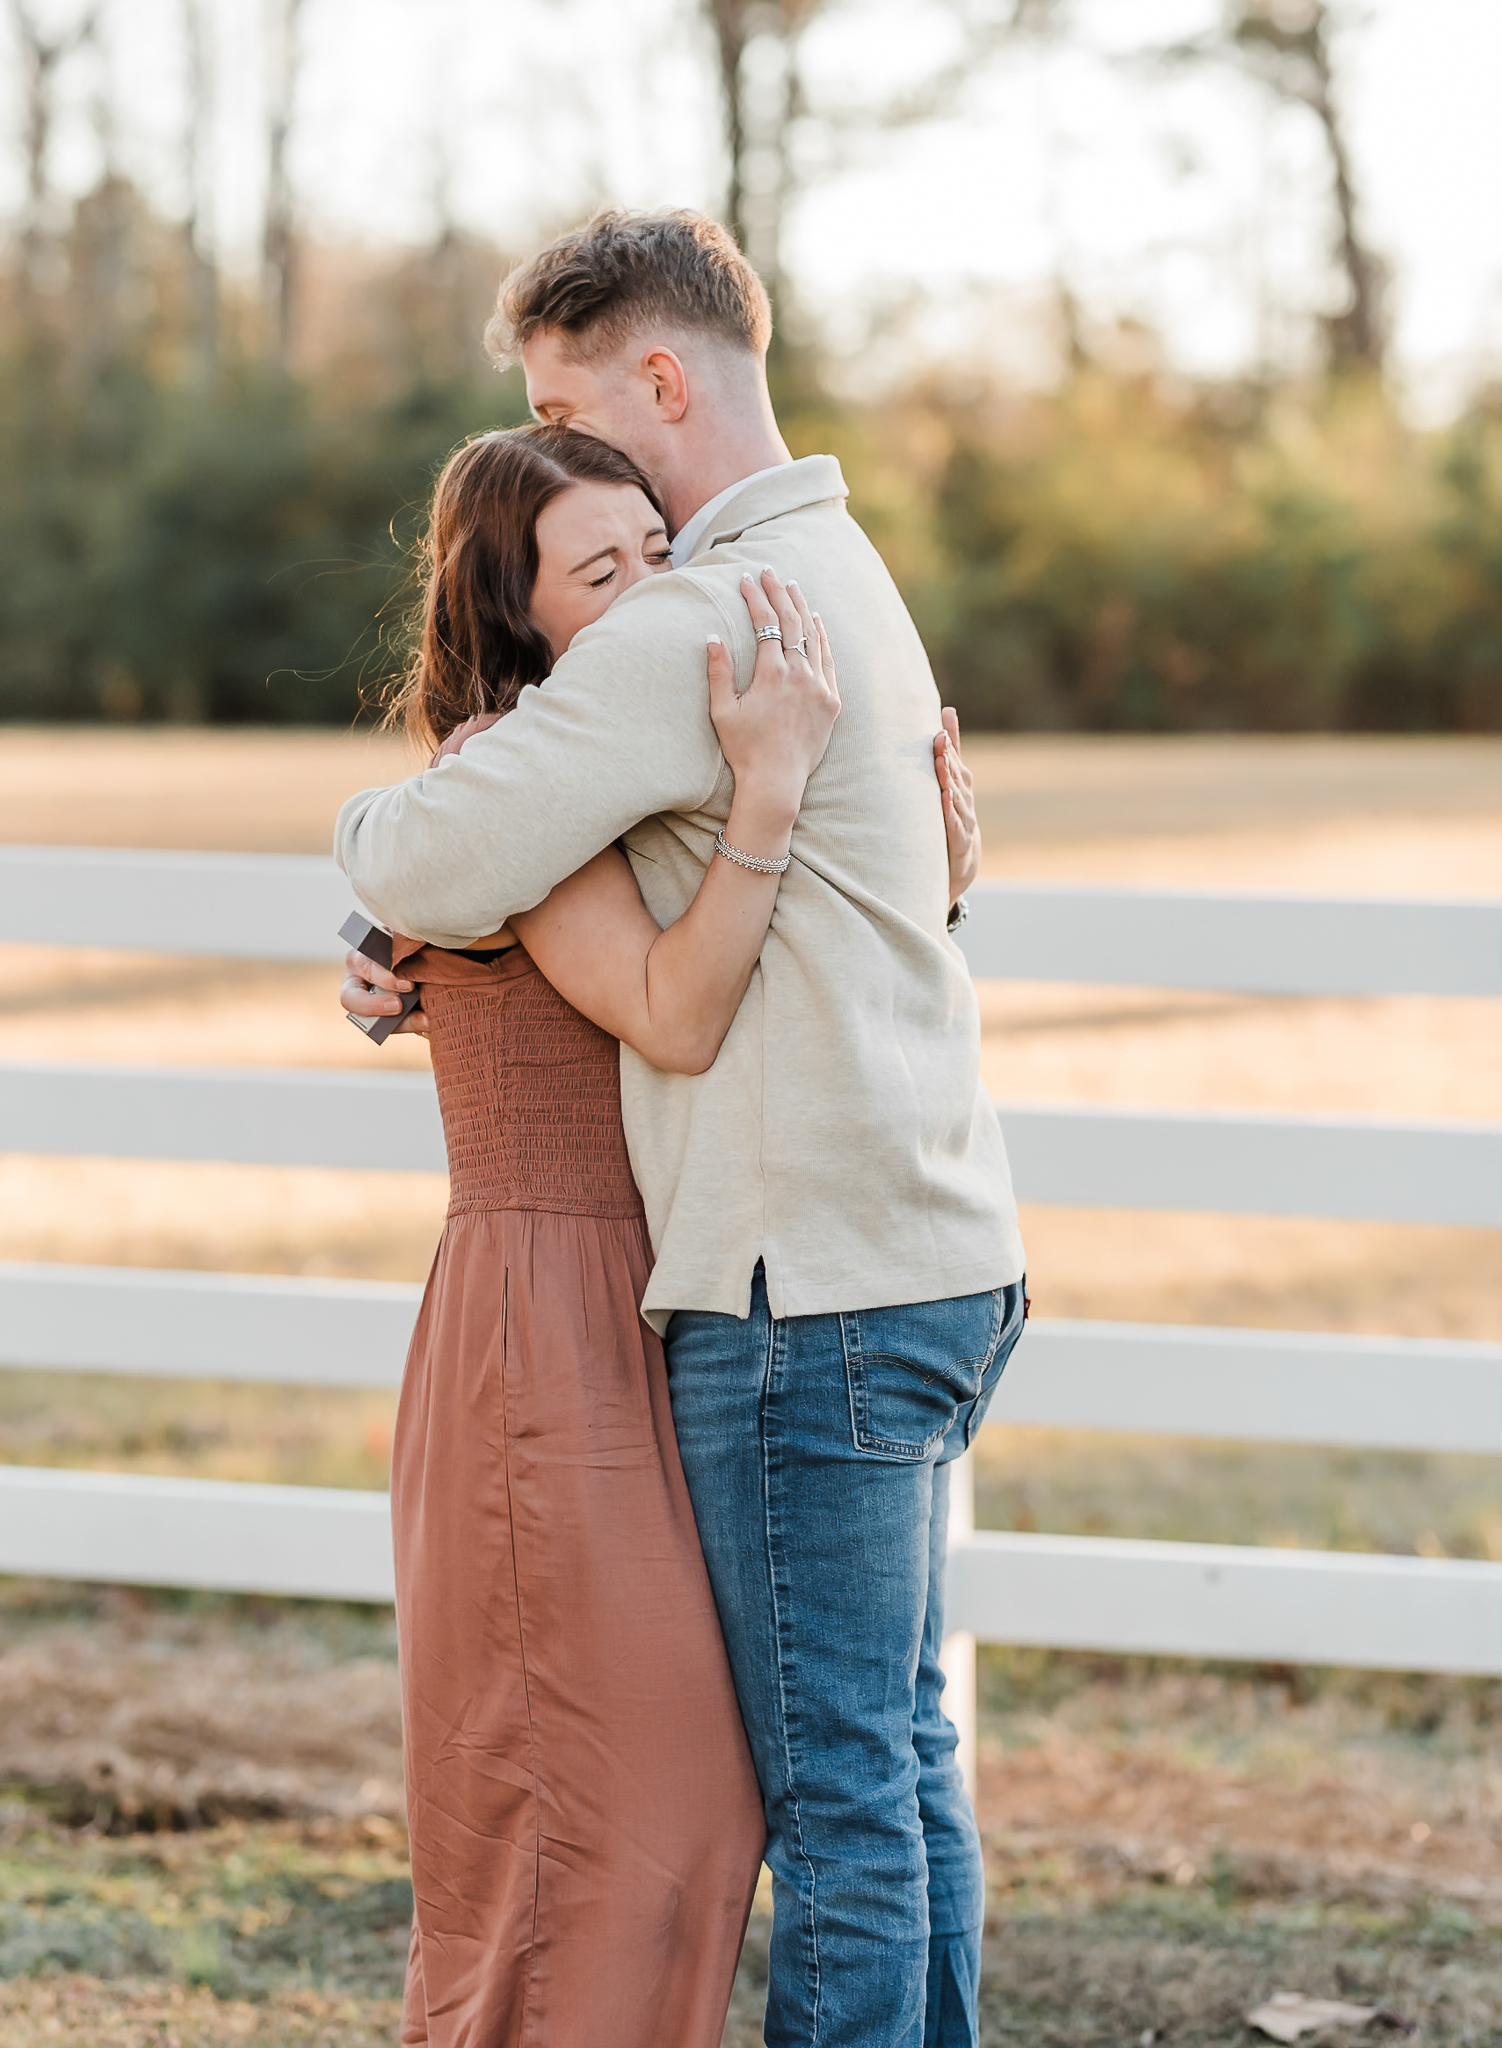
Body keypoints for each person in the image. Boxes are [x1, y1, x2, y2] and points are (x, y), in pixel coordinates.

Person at [338, 210, 1026, 2048]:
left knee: (835, 1800)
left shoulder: (702, 614)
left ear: (661, 378)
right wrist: (427, 947)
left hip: (809, 1283)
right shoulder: (840, 563)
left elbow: (417, 842)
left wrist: (384, 901)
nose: (570, 446)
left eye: (575, 403)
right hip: (928, 1255)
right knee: (891, 1765)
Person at [371, 423, 841, 2048]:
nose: (658, 596)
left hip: (645, 1306)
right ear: (516, 616)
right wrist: (775, 791)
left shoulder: (618, 777)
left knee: (677, 1822)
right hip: (538, 1328)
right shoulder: (514, 792)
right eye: (603, 573)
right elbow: (672, 1008)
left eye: (661, 551)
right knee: (603, 1830)